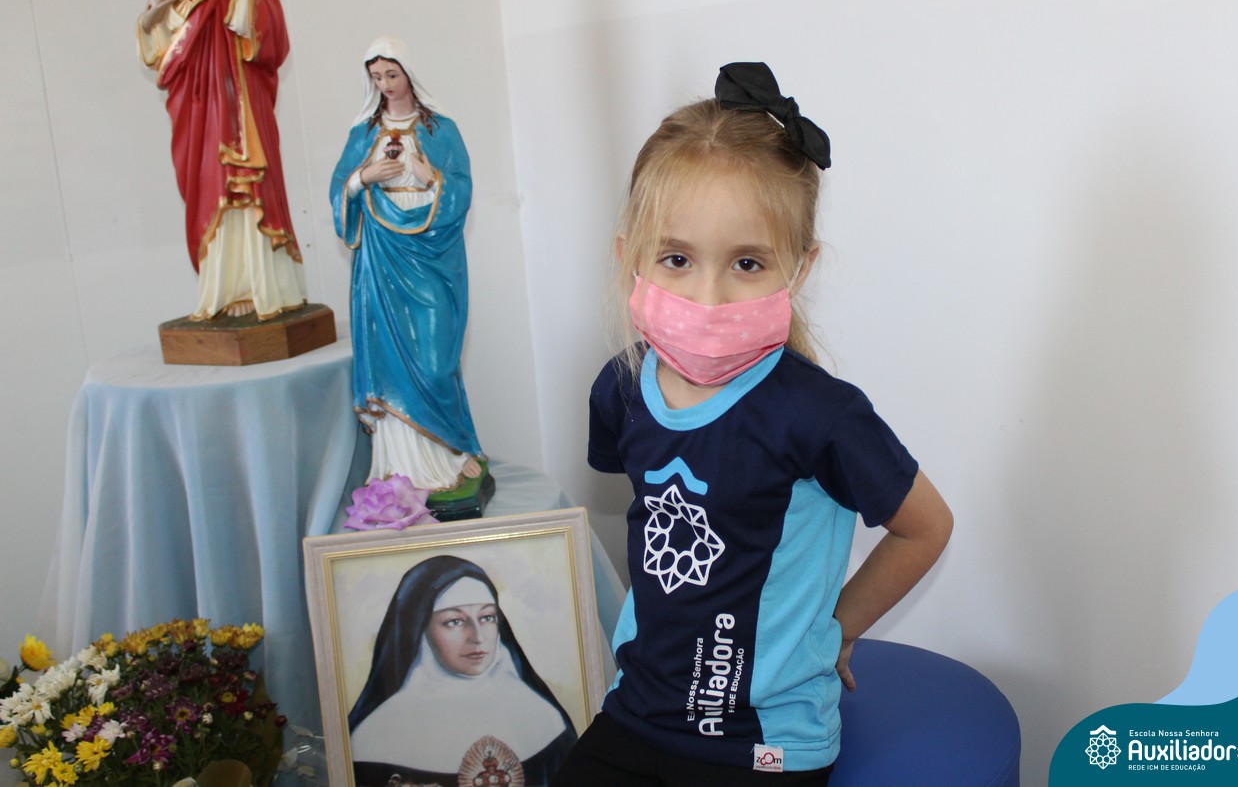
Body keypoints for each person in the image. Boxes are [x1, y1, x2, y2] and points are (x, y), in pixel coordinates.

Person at [555, 63, 954, 786]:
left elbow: (926, 526)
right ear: (629, 257)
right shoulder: (620, 388)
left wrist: (836, 630)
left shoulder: (820, 414)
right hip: (636, 714)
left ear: (798, 269)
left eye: (746, 262)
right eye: (676, 258)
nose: (707, 297)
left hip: (766, 744)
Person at [331, 37, 487, 495]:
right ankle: (400, 465)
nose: (384, 84)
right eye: (376, 77)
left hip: (429, 254)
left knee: (436, 361)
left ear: (409, 74)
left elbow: (461, 188)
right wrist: (364, 177)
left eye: (391, 74)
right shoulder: (364, 132)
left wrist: (430, 177)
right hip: (381, 255)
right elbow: (339, 187)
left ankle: (450, 450)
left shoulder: (441, 129)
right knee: (388, 355)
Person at [137, 0, 307, 321]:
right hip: (195, 96)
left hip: (239, 89)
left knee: (245, 177)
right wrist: (148, 20)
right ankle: (224, 287)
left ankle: (259, 285)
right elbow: (164, 44)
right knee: (207, 177)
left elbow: (273, 30)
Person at [348, 555, 579, 787]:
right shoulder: (373, 738)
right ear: (419, 629)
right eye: (455, 621)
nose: (477, 637)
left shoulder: (544, 719)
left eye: (487, 617)